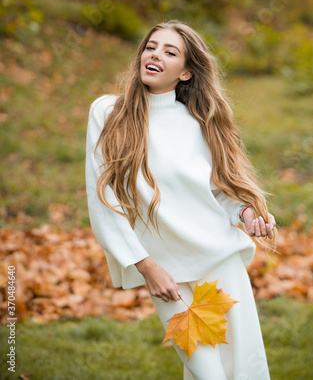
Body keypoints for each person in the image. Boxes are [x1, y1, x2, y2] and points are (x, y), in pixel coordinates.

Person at [85, 20, 277, 380]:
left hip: (219, 264)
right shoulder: (108, 113)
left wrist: (247, 213)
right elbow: (103, 200)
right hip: (165, 274)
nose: (155, 54)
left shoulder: (201, 121)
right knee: (209, 374)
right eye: (151, 46)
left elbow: (220, 192)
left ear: (186, 72)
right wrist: (146, 266)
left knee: (243, 371)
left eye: (170, 52)